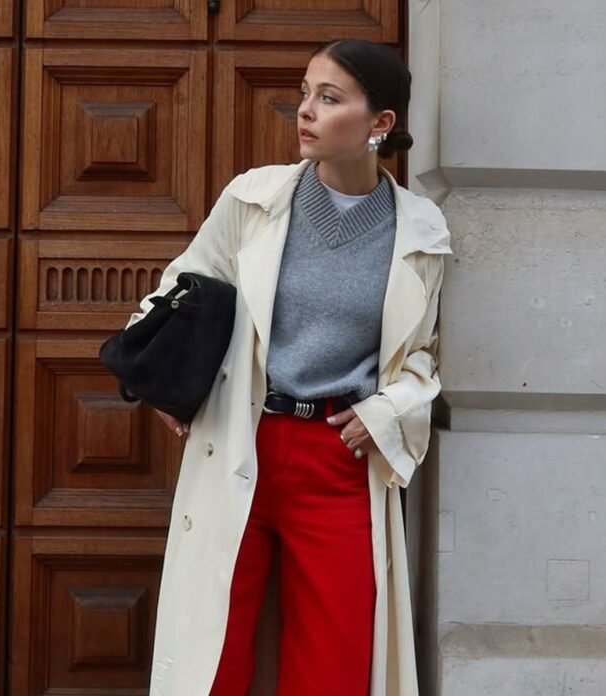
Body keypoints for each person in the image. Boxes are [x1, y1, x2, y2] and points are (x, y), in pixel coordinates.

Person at [126, 38, 451, 696]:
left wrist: (386, 410)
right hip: (240, 440)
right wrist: (160, 378)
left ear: (380, 123)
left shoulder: (420, 232)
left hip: (338, 460)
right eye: (305, 94)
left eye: (328, 98)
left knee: (335, 661)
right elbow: (180, 292)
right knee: (212, 651)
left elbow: (424, 357)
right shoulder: (254, 199)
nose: (305, 110)